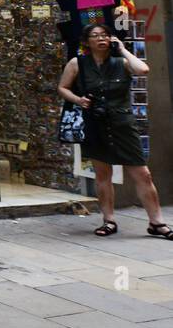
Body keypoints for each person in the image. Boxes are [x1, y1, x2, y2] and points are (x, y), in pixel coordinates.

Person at [56, 24, 167, 238]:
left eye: (105, 35)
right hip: (95, 123)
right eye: (95, 36)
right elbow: (63, 88)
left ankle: (157, 222)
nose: (101, 39)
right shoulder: (77, 63)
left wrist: (123, 49)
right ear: (86, 41)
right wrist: (78, 100)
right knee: (102, 174)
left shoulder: (122, 62)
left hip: (122, 123)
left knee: (142, 173)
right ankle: (109, 220)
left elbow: (143, 70)